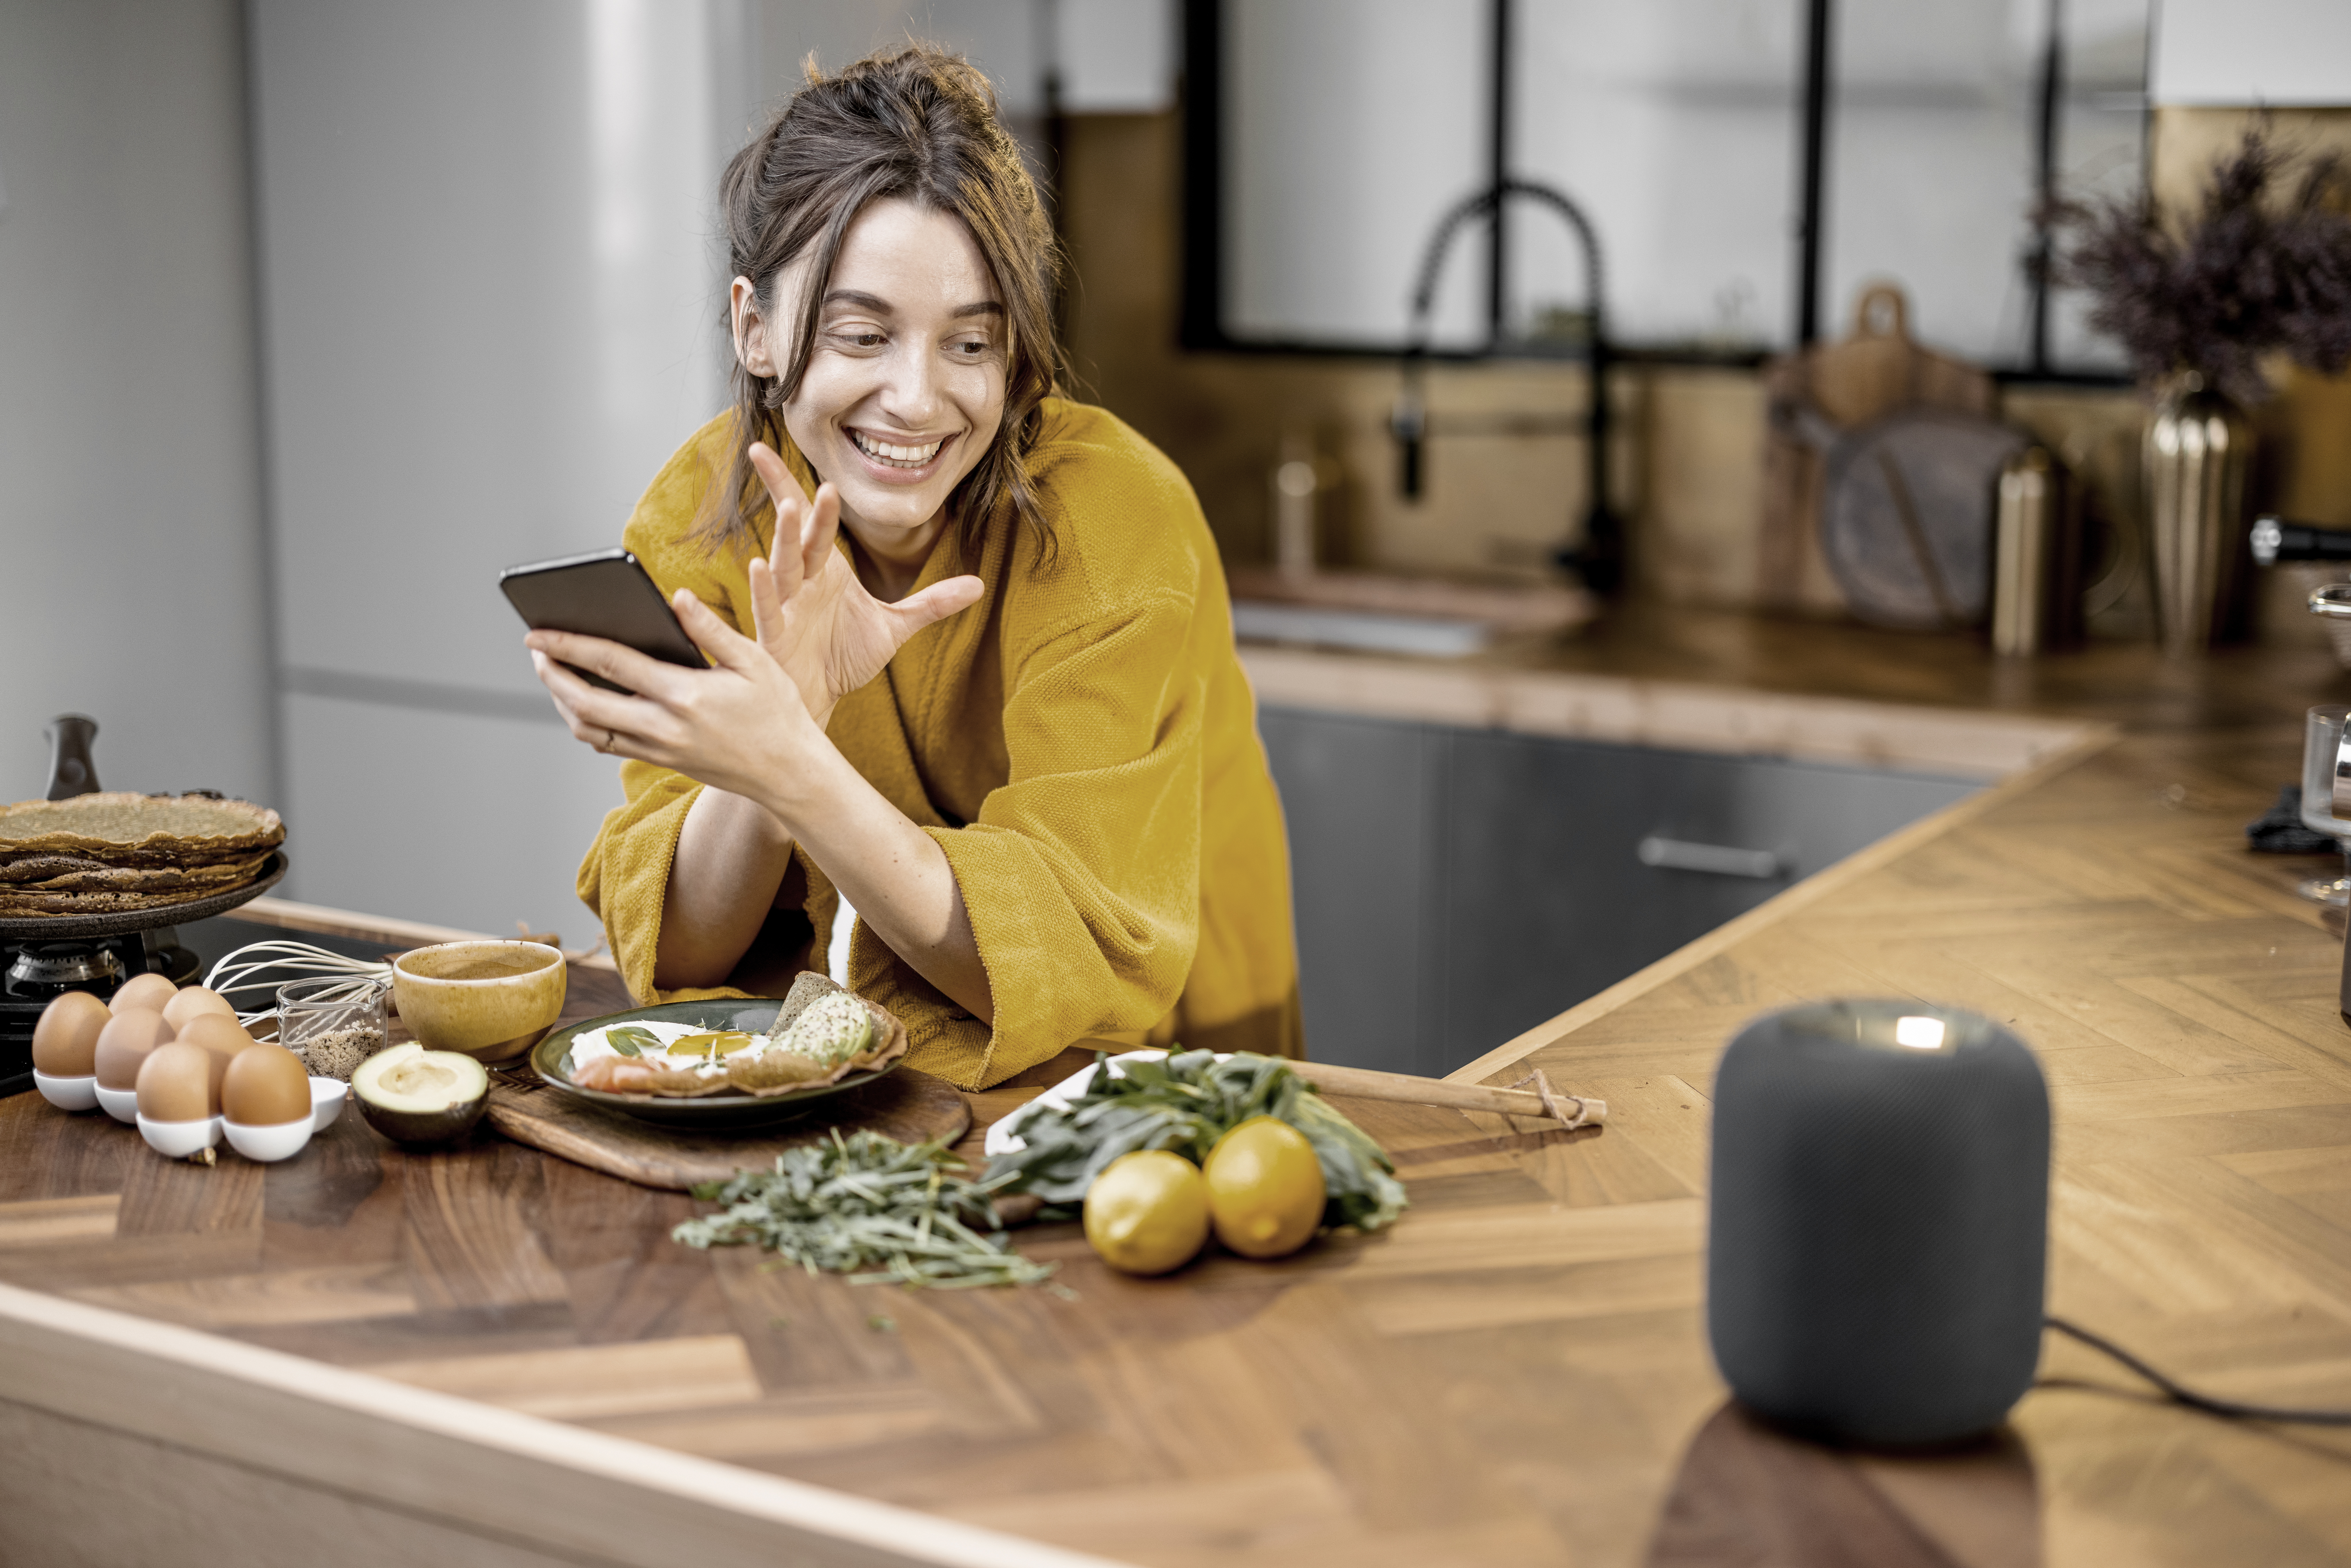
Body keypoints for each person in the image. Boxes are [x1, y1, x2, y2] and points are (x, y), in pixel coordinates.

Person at [525, 45, 1301, 1091]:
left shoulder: (1114, 521)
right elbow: (691, 954)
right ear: (757, 328)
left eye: (971, 346)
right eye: (863, 334)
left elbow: (1065, 955)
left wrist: (789, 764)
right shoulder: (702, 519)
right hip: (866, 1060)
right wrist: (770, 755)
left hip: (1152, 1028)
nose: (919, 399)